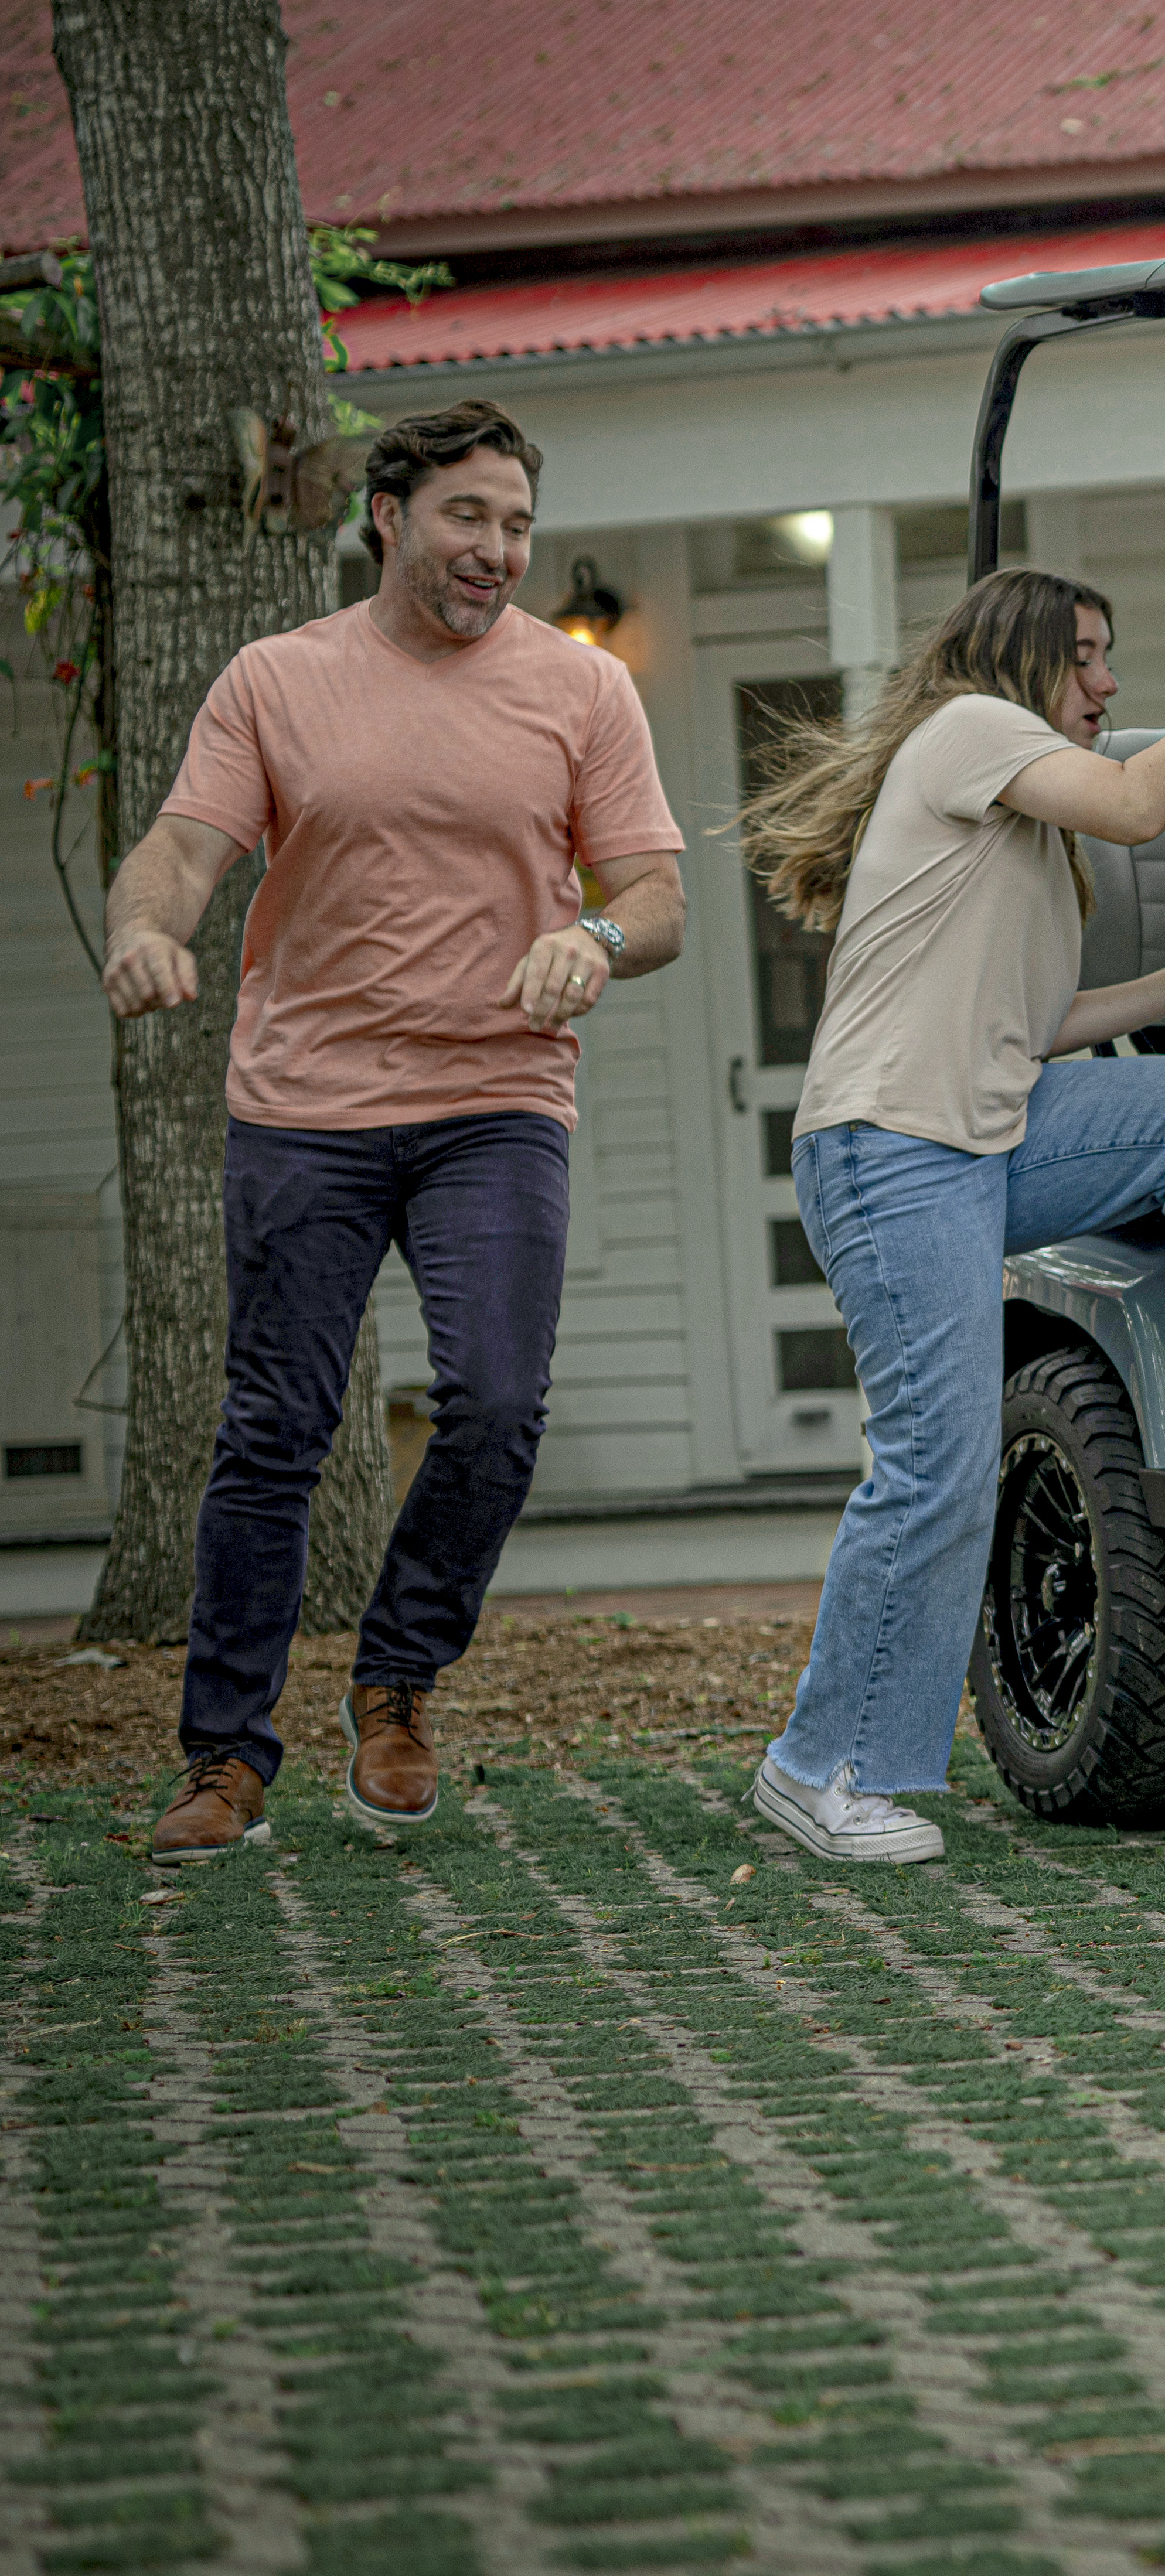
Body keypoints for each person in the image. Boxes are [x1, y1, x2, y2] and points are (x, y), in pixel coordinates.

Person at [735, 568, 1165, 1867]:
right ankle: (821, 1763)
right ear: (1019, 658)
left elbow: (1031, 1026)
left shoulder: (1014, 812)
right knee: (936, 1464)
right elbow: (1140, 804)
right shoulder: (967, 729)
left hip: (990, 1130)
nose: (1107, 689)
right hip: (894, 1149)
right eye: (1089, 658)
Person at [109, 399, 689, 1868]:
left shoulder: (579, 690)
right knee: (274, 1431)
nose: (495, 549)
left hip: (498, 1100)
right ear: (388, 516)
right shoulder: (278, 680)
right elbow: (186, 849)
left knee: (494, 1402)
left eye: (515, 525)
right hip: (303, 1105)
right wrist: (144, 929)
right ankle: (226, 1754)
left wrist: (598, 940)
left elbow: (657, 898)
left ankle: (398, 1685)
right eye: (467, 518)